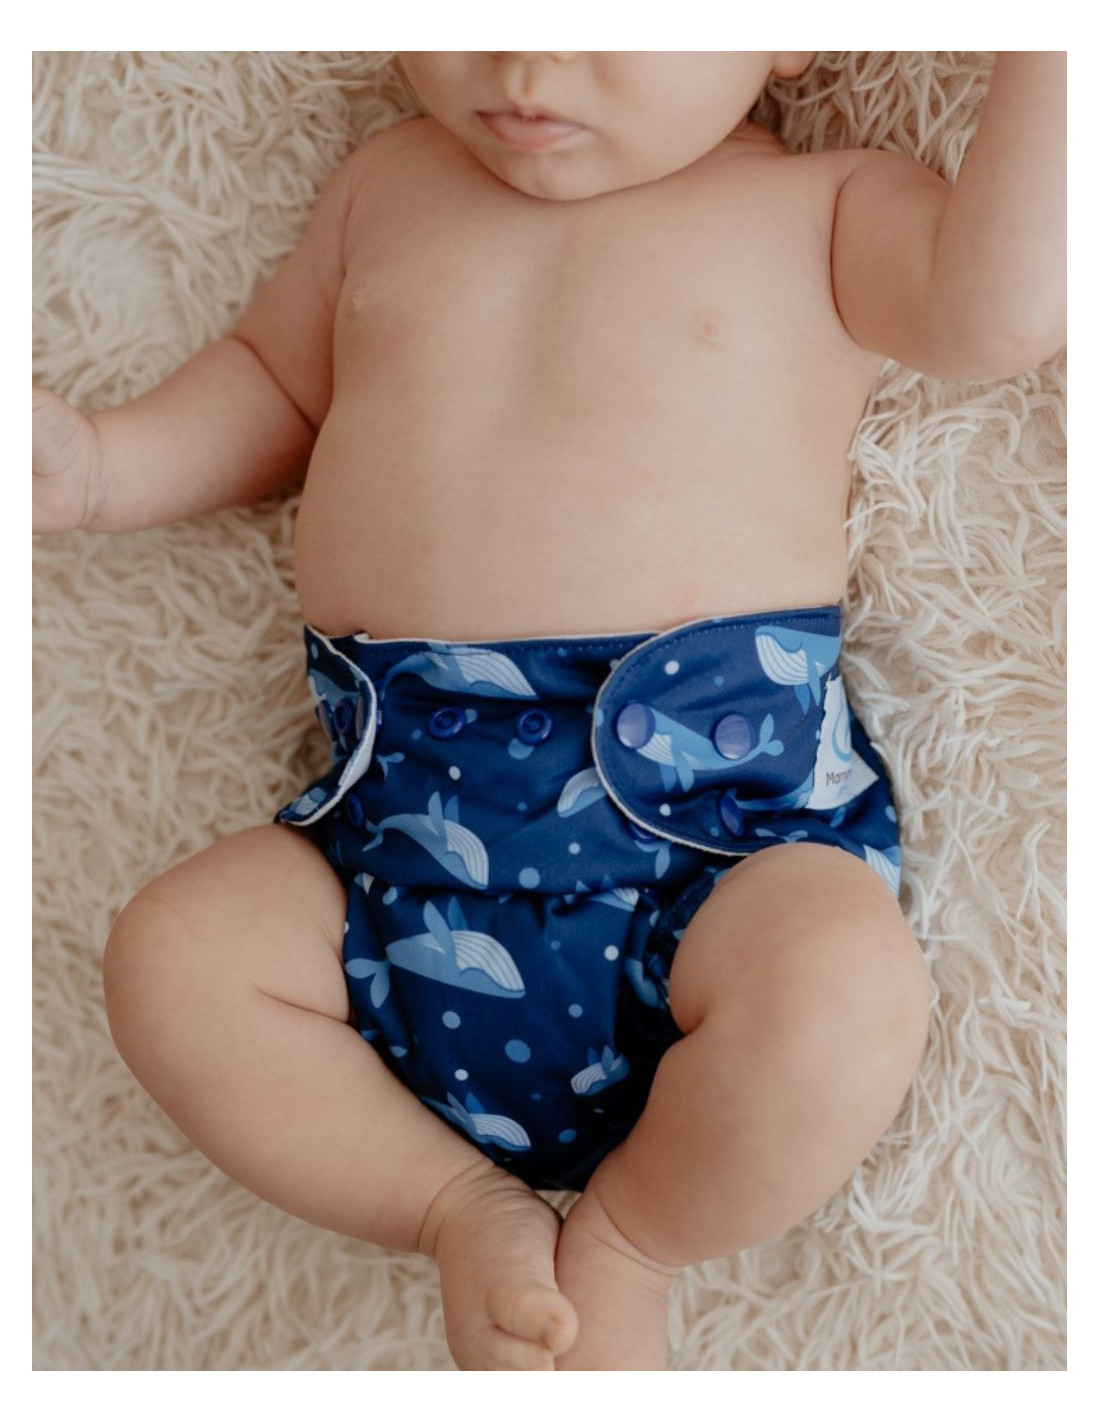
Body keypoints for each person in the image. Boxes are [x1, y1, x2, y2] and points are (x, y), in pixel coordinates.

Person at [32, 52, 1066, 1371]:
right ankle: (455, 1208)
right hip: (390, 856)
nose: (526, 66)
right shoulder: (389, 188)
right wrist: (102, 468)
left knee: (844, 993)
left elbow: (1000, 305)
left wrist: (1050, 54)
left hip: (713, 855)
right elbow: (275, 384)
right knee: (171, 956)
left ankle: (632, 1244)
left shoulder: (822, 208)